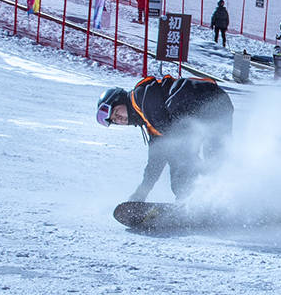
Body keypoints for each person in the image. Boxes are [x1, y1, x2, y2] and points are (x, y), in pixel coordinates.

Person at [96, 76, 234, 201]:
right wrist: (143, 190)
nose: (119, 119)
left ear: (120, 100)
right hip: (218, 103)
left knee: (177, 151)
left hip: (199, 99)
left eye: (116, 112)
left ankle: (188, 198)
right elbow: (156, 157)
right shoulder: (148, 119)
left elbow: (167, 141)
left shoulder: (140, 96)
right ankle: (224, 197)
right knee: (216, 157)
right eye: (115, 120)